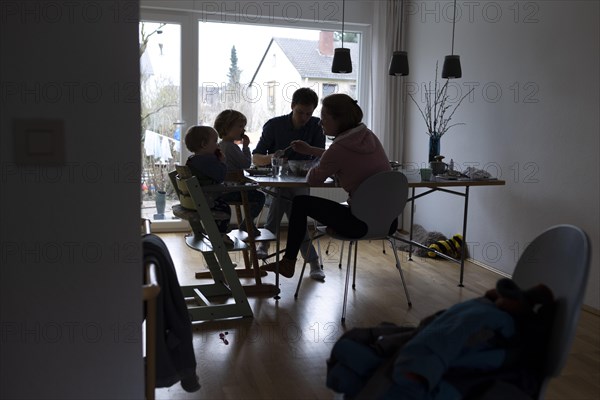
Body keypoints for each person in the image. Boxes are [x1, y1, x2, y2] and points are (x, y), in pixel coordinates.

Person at [262, 93, 392, 278]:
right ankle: (303, 261)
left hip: (359, 224)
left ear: (339, 120)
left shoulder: (338, 149)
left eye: (323, 119)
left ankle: (288, 261)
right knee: (298, 201)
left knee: (300, 203)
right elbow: (340, 155)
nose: (319, 123)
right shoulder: (368, 136)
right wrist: (311, 150)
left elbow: (313, 179)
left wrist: (305, 163)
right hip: (388, 221)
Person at [252, 87, 326, 280]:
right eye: (300, 112)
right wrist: (272, 158)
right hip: (277, 181)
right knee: (292, 206)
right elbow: (256, 158)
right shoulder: (274, 125)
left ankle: (264, 243)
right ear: (292, 106)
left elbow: (321, 159)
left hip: (302, 180)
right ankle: (313, 262)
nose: (304, 117)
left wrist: (309, 163)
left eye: (309, 113)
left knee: (288, 201)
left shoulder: (318, 126)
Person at [214, 109, 266, 237]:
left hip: (224, 189)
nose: (243, 130)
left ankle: (247, 223)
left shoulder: (221, 145)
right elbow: (246, 164)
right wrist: (246, 147)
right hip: (232, 191)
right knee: (259, 197)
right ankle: (247, 222)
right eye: (240, 126)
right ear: (227, 127)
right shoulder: (231, 147)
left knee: (253, 193)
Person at [184, 125, 234, 245]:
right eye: (215, 141)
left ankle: (210, 231)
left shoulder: (193, 160)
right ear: (203, 144)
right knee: (225, 208)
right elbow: (220, 176)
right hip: (207, 200)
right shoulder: (207, 160)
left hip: (195, 200)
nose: (218, 145)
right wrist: (222, 162)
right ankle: (219, 234)